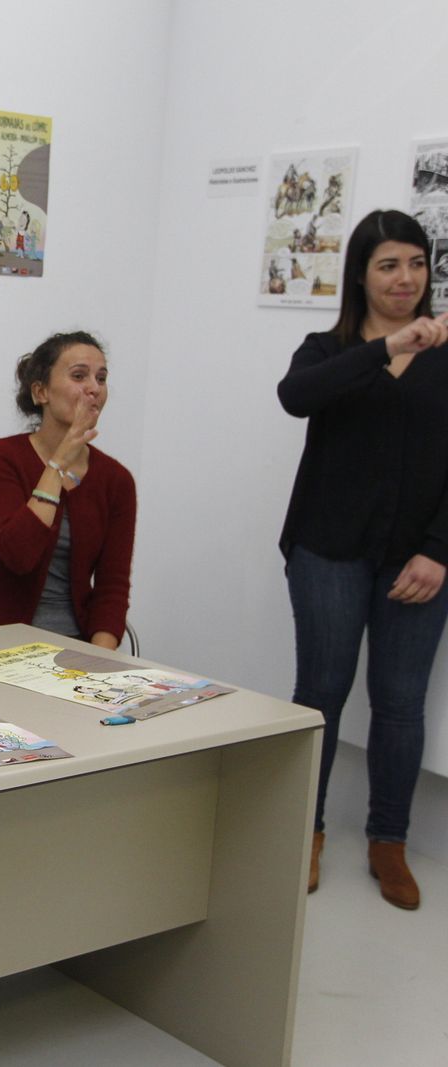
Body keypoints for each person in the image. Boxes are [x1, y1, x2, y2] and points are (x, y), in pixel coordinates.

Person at [276, 208, 448, 909]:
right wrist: (387, 347)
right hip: (328, 549)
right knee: (321, 691)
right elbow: (296, 397)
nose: (405, 278)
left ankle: (388, 840)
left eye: (416, 263)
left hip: (419, 562)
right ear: (361, 274)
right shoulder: (329, 349)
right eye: (388, 265)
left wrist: (439, 551)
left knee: (401, 703)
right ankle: (304, 832)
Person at [0, 332, 136, 650]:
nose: (94, 388)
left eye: (101, 378)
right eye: (79, 376)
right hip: (0, 644)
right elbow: (18, 555)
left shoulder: (117, 480)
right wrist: (57, 464)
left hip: (77, 645)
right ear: (41, 391)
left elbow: (113, 587)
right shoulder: (1, 458)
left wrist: (98, 660)